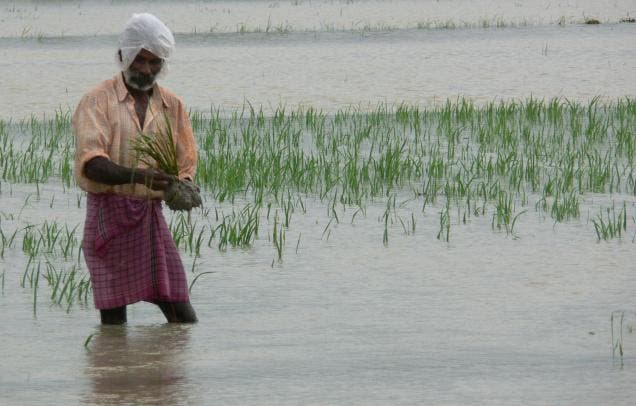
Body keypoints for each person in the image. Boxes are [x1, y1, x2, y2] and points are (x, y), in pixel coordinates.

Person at [73, 13, 198, 324]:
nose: (146, 70)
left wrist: (182, 186)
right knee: (114, 320)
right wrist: (139, 176)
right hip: (108, 217)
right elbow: (92, 163)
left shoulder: (173, 105)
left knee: (181, 314)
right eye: (139, 61)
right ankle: (116, 371)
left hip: (150, 218)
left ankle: (152, 368)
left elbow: (186, 162)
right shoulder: (96, 101)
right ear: (122, 56)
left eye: (154, 63)